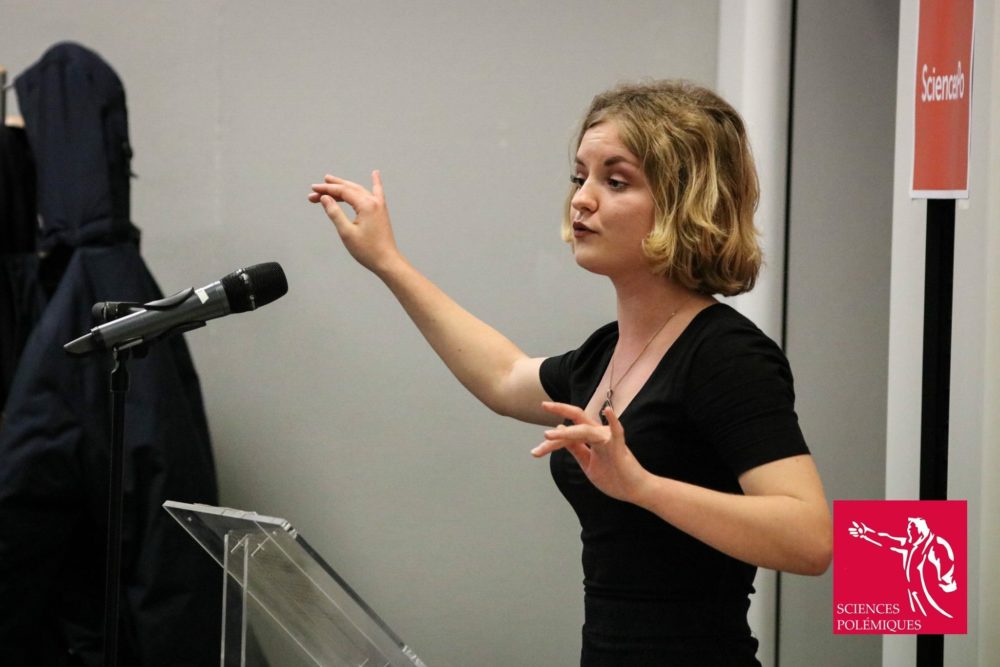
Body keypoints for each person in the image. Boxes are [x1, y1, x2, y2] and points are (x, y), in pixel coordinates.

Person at [309, 79, 832, 666]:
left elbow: (809, 538)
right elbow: (503, 376)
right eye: (579, 177)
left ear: (685, 202)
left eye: (615, 181)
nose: (582, 199)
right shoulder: (606, 353)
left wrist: (643, 487)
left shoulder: (725, 355)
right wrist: (387, 262)